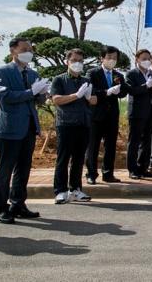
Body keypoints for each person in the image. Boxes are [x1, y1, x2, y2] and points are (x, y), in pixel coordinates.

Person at [0, 38, 49, 224]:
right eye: (24, 49)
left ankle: (18, 204)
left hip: (29, 127)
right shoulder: (2, 72)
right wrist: (31, 92)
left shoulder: (33, 73)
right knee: (5, 171)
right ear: (13, 51)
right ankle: (1, 209)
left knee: (23, 170)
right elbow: (6, 97)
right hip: (9, 128)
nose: (28, 53)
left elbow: (37, 101)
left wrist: (42, 93)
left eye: (30, 50)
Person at [50, 48, 96, 204]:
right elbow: (56, 100)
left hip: (83, 123)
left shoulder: (86, 80)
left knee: (78, 158)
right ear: (67, 62)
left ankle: (75, 189)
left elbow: (94, 100)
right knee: (63, 158)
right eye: (74, 60)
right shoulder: (59, 80)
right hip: (66, 123)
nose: (78, 63)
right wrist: (76, 95)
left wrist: (89, 97)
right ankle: (60, 191)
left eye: (81, 61)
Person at [85, 45, 127, 184]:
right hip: (96, 115)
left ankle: (108, 173)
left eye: (114, 58)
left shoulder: (119, 75)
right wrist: (106, 92)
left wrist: (119, 90)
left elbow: (123, 92)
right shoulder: (92, 73)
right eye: (109, 57)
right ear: (102, 58)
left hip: (112, 115)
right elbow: (90, 91)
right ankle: (91, 174)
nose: (112, 60)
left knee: (110, 146)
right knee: (93, 146)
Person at [125, 49, 152, 180]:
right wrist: (146, 85)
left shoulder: (151, 73)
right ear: (137, 59)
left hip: (150, 111)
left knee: (146, 141)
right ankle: (132, 169)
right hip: (137, 112)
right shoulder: (131, 74)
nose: (147, 61)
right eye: (144, 58)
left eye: (149, 59)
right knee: (134, 142)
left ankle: (143, 167)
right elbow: (131, 90)